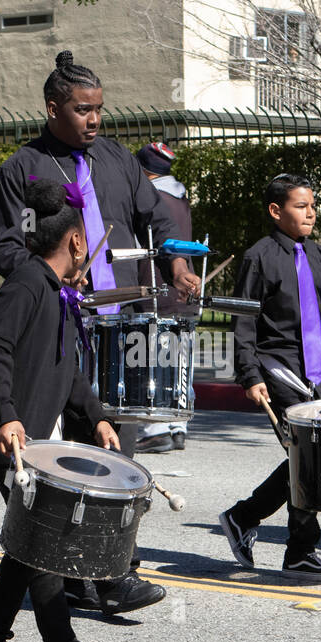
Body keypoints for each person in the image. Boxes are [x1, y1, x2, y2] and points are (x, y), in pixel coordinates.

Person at [0, 50, 202, 617]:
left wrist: (175, 264)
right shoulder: (25, 169)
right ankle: (88, 576)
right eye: (83, 110)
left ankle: (109, 572)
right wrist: (58, 279)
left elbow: (156, 218)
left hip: (119, 322)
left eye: (100, 109)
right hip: (61, 321)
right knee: (66, 456)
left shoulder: (116, 159)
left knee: (113, 445)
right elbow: (8, 248)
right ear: (53, 107)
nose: (95, 120)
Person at [0, 178, 130, 642]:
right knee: (45, 545)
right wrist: (9, 415)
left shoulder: (56, 290)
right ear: (77, 241)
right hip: (10, 440)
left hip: (37, 442)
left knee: (27, 549)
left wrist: (96, 416)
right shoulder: (25, 285)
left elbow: (67, 371)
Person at [218, 174, 321, 582]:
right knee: (307, 456)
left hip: (313, 371)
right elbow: (243, 321)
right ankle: (298, 547)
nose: (311, 212)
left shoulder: (320, 257)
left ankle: (246, 518)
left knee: (312, 457)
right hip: (275, 366)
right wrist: (249, 373)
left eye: (313, 205)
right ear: (276, 211)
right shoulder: (258, 257)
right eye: (301, 206)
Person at [135, 141, 199, 454]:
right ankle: (178, 425)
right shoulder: (181, 197)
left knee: (152, 357)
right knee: (180, 358)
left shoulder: (150, 196)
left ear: (144, 171)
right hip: (185, 287)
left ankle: (155, 427)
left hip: (157, 285)